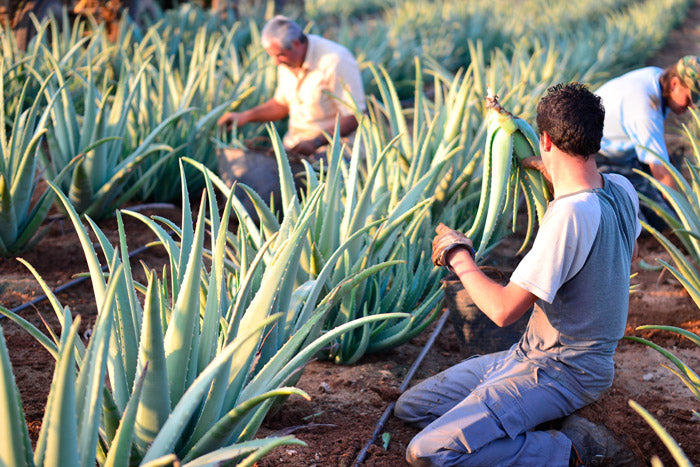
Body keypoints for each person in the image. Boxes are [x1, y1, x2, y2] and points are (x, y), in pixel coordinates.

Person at [394, 83, 640, 466]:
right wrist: (554, 179)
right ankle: (536, 421)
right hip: (529, 356)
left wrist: (459, 255)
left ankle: (577, 450)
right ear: (595, 137)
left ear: (544, 139)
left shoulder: (570, 215)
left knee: (428, 452)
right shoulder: (622, 190)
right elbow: (628, 251)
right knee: (414, 408)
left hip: (562, 370)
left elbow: (504, 310)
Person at [217, 15, 366, 159]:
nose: (276, 62)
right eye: (273, 56)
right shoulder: (288, 61)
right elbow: (281, 104)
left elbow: (354, 116)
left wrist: (316, 142)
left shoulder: (335, 61)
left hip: (335, 152)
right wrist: (244, 117)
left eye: (280, 55)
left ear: (296, 43)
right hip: (296, 146)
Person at [595, 55, 700, 230]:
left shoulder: (657, 77)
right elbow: (662, 174)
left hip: (622, 149)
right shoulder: (645, 109)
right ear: (674, 84)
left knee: (664, 188)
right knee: (658, 220)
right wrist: (689, 217)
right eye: (689, 98)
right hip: (599, 156)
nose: (691, 107)